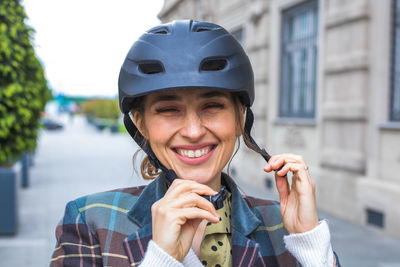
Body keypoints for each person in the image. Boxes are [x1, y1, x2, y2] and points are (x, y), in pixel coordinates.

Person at [50, 20, 340, 267]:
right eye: (168, 110)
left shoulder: (283, 226)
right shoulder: (91, 222)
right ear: (141, 124)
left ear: (240, 118)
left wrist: (309, 244)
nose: (192, 131)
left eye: (212, 106)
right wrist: (162, 258)